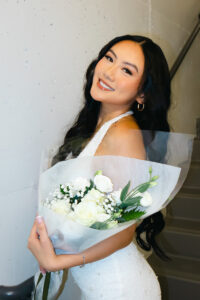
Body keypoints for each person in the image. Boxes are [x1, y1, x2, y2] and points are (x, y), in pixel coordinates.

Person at [28, 34, 171, 299]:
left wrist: (58, 261)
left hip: (120, 288)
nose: (108, 72)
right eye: (109, 59)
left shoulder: (125, 135)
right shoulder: (101, 128)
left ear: (142, 93)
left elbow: (124, 231)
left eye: (126, 70)